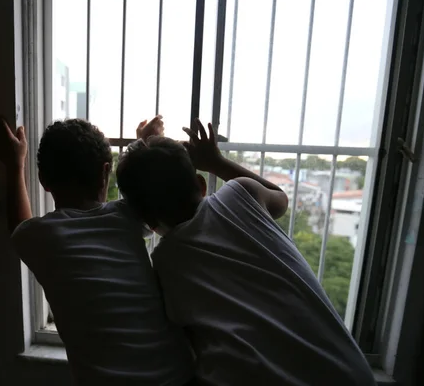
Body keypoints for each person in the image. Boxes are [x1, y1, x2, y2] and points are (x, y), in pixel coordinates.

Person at [115, 119, 377, 386]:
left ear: (148, 223)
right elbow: (280, 199)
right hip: (347, 372)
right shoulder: (241, 195)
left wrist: (140, 155)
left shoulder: (163, 266)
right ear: (201, 184)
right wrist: (215, 161)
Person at [0, 115, 195, 386]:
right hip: (180, 376)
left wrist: (15, 164)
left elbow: (19, 227)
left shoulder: (42, 236)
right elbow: (148, 188)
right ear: (106, 172)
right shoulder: (126, 215)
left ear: (43, 181)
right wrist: (143, 143)